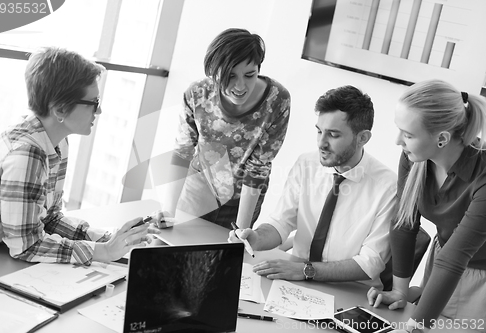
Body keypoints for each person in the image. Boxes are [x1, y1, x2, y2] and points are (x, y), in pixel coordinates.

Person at [0, 47, 158, 265]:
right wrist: (103, 252)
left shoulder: (55, 140)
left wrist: (111, 240)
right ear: (60, 110)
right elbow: (26, 246)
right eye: (94, 103)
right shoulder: (27, 153)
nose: (99, 112)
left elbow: (49, 219)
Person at [229, 85, 397, 289]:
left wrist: (306, 271)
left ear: (362, 138)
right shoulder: (306, 164)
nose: (321, 143)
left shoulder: (388, 187)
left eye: (333, 135)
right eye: (319, 132)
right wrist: (255, 238)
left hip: (351, 289)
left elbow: (370, 262)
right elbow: (281, 222)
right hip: (296, 281)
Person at [367, 79, 486, 332]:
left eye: (408, 134)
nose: (398, 140)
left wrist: (416, 327)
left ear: (442, 138)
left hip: (479, 277)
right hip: (443, 262)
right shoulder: (415, 157)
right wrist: (399, 290)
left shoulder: (483, 173)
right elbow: (404, 223)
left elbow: (456, 258)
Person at [157, 28, 291, 230]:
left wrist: (240, 230)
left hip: (243, 198)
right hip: (198, 188)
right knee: (171, 252)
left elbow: (258, 168)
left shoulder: (277, 100)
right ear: (214, 72)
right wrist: (168, 211)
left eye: (249, 75)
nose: (240, 86)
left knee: (223, 256)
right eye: (230, 76)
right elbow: (182, 151)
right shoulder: (197, 94)